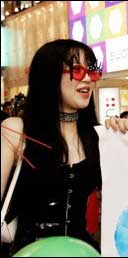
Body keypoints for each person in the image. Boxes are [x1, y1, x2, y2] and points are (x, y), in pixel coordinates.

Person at [0, 39, 106, 254]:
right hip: (28, 251)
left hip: (82, 251)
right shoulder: (16, 130)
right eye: (77, 70)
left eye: (92, 71)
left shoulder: (99, 137)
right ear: (48, 76)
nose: (87, 79)